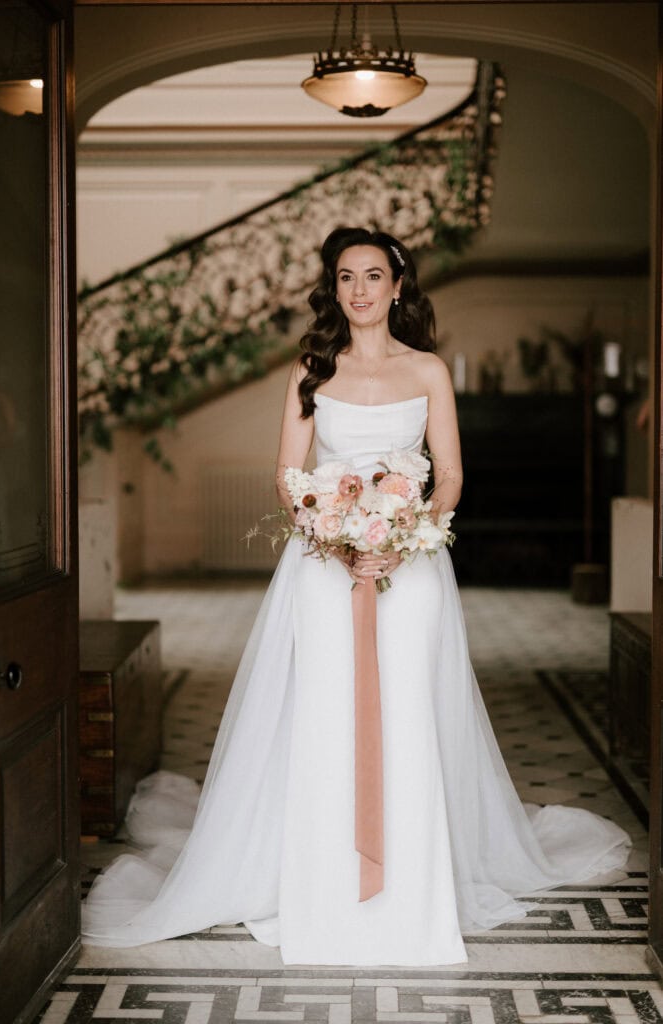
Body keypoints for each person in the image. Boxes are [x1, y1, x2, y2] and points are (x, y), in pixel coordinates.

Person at [81, 226, 630, 967]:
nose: (361, 289)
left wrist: (406, 537)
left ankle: (413, 891)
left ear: (398, 286)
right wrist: (337, 537)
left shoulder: (429, 370)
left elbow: (452, 476)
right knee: (325, 714)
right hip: (322, 566)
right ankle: (321, 886)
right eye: (347, 277)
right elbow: (288, 473)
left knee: (408, 715)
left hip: (411, 574)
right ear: (333, 288)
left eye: (374, 275)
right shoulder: (311, 369)